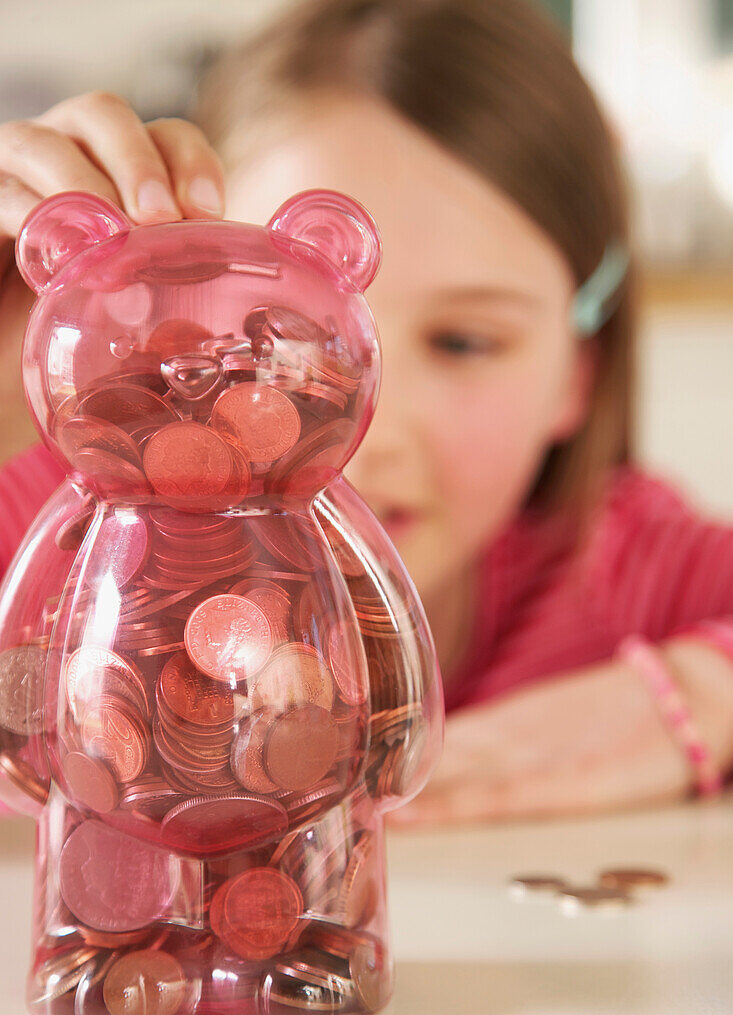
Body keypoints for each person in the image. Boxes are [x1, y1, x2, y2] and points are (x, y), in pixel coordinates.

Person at [0, 0, 731, 825]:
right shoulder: (78, 535)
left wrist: (702, 695)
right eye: (284, 339)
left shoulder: (624, 567)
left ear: (578, 377)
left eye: (462, 342)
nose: (359, 433)